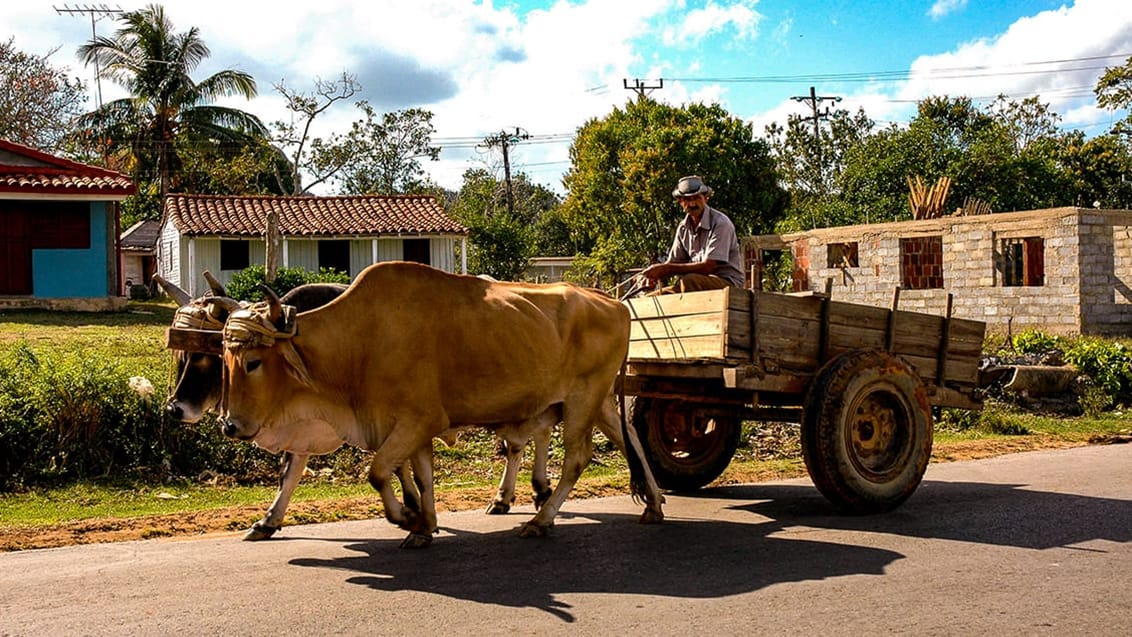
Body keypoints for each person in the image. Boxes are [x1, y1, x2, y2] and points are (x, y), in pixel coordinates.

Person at [638, 175, 745, 294]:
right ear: (680, 202)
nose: (693, 203)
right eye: (688, 200)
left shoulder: (720, 223)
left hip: (726, 285)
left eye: (697, 198)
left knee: (689, 281)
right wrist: (653, 276)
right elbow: (674, 262)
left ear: (705, 198)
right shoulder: (683, 228)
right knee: (653, 298)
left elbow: (709, 267)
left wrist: (666, 269)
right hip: (694, 285)